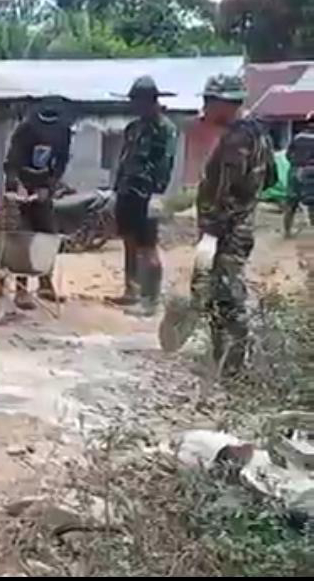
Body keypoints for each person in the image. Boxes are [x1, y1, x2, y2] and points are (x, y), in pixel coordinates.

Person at [160, 75, 273, 377]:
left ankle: (231, 365)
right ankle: (222, 357)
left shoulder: (236, 141)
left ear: (226, 104)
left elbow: (222, 192)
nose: (205, 108)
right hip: (238, 228)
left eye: (209, 101)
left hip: (221, 232)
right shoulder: (259, 133)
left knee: (225, 295)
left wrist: (213, 229)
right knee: (214, 290)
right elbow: (270, 179)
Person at [109, 76, 177, 317]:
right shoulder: (133, 128)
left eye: (138, 102)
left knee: (148, 247)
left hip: (148, 194)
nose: (134, 107)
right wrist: (117, 187)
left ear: (151, 101)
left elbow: (165, 164)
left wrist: (157, 193)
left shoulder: (165, 128)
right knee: (128, 241)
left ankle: (151, 299)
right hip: (127, 192)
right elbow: (124, 159)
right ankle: (132, 290)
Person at [2, 96, 73, 309]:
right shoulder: (25, 130)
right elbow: (12, 161)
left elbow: (60, 163)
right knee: (23, 237)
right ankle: (21, 289)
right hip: (21, 187)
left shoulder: (64, 132)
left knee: (48, 235)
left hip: (43, 188)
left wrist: (50, 187)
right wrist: (16, 187)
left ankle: (45, 284)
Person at [284, 117, 314, 238]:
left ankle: (287, 231)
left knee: (291, 202)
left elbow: (288, 154)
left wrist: (295, 163)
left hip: (295, 170)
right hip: (311, 171)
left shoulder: (297, 137)